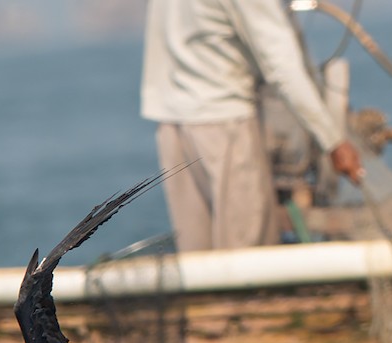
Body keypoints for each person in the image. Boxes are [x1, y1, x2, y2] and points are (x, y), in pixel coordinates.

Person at [141, 0, 364, 252]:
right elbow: (282, 66)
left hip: (172, 125)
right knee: (247, 257)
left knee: (197, 265)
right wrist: (334, 141)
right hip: (225, 125)